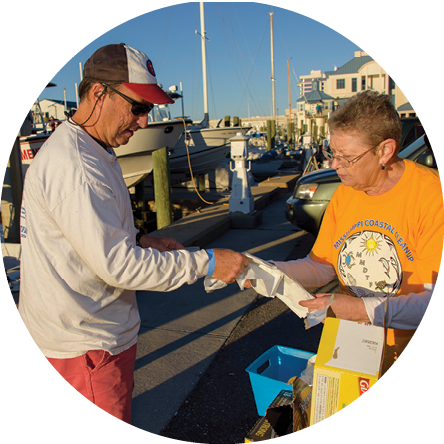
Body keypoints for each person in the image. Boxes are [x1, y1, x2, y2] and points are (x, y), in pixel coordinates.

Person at [18, 43, 249, 425]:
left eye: (150, 111)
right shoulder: (78, 165)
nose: (144, 121)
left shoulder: (89, 147)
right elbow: (119, 267)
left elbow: (89, 231)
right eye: (138, 107)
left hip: (85, 339)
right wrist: (208, 263)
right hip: (87, 348)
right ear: (98, 94)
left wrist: (141, 239)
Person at [248, 90, 444, 330]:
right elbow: (322, 266)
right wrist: (262, 268)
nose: (334, 165)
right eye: (333, 153)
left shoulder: (433, 197)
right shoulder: (346, 191)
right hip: (350, 343)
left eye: (347, 157)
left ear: (385, 151)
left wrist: (359, 310)